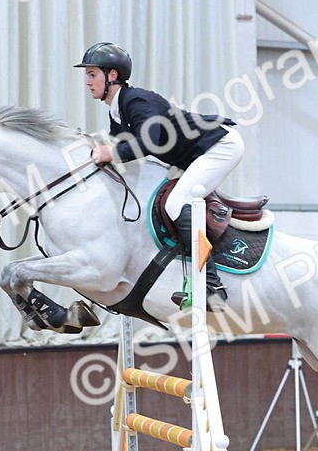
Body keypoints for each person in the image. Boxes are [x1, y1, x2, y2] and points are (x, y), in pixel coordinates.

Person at [75, 42, 243, 311]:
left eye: (92, 74)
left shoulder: (136, 100)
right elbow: (121, 145)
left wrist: (110, 152)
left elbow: (147, 143)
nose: (87, 82)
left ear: (112, 75)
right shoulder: (117, 109)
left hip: (220, 146)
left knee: (176, 203)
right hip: (195, 154)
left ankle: (212, 287)